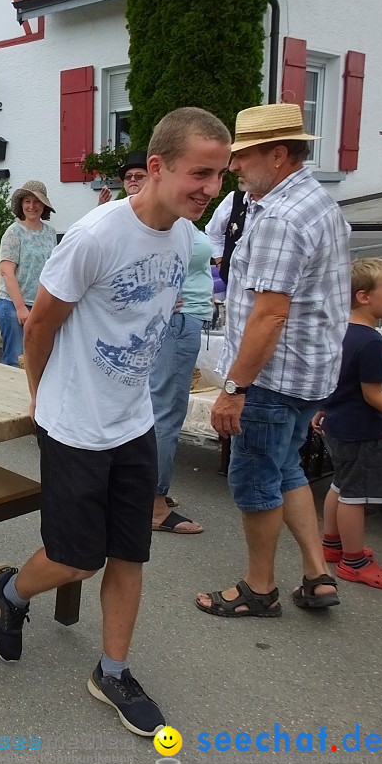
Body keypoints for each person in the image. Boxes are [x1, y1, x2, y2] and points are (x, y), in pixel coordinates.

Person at [0, 107, 231, 738]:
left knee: (129, 554)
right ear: (156, 167)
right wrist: (40, 393)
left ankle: (113, 671)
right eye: (200, 173)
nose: (211, 188)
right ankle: (12, 592)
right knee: (75, 560)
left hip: (133, 422)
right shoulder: (95, 236)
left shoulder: (182, 235)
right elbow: (40, 323)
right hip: (74, 423)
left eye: (220, 175)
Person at [199, 103, 350, 618]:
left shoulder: (281, 218)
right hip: (309, 373)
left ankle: (258, 588)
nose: (236, 167)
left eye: (243, 156)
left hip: (272, 377)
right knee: (286, 467)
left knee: (256, 479)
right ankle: (316, 573)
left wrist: (234, 389)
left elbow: (268, 316)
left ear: (279, 155)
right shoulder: (316, 202)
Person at [314, 258, 382, 589]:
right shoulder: (372, 342)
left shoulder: (341, 332)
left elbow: (335, 380)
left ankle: (331, 543)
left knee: (340, 485)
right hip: (362, 431)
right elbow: (373, 395)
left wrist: (323, 409)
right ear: (363, 296)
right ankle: (354, 561)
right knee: (355, 496)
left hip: (337, 424)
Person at [146, 223, 211, 535]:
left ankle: (147, 495)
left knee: (157, 410)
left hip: (182, 319)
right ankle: (154, 506)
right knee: (166, 413)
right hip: (177, 321)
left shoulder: (180, 219)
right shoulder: (167, 220)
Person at [0, 180, 57, 366]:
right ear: (21, 205)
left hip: (40, 306)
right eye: (27, 201)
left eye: (37, 201)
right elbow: (7, 272)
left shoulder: (50, 232)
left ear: (44, 205)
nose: (32, 206)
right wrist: (21, 308)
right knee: (16, 360)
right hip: (14, 307)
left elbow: (52, 268)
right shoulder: (14, 232)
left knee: (38, 359)